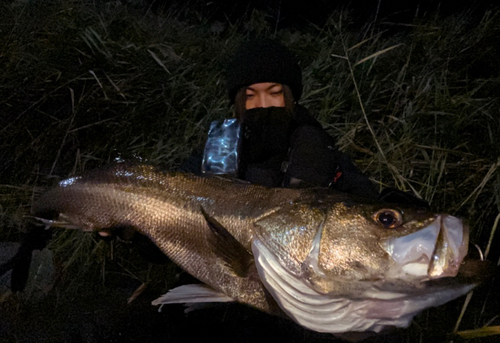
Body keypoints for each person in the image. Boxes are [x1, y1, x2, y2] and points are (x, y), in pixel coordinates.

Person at [184, 38, 380, 199]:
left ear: (290, 96)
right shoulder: (216, 149)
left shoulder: (318, 147)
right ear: (238, 102)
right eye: (250, 96)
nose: (263, 103)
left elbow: (363, 201)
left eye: (275, 93)